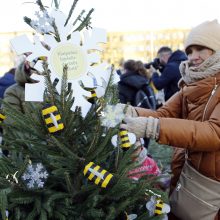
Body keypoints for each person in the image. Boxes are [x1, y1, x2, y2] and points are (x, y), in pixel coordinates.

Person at [120, 19, 220, 220]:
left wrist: (153, 128)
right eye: (189, 51)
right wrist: (131, 112)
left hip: (212, 185)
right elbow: (162, 115)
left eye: (201, 49)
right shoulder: (189, 85)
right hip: (187, 176)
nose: (193, 57)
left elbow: (214, 132)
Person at [118, 59, 154, 149]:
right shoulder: (146, 83)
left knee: (127, 156)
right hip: (145, 123)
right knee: (143, 152)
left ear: (126, 70)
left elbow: (118, 107)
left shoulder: (122, 85)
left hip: (127, 125)